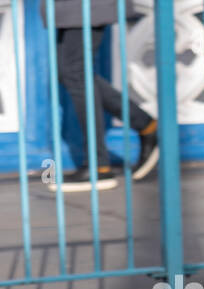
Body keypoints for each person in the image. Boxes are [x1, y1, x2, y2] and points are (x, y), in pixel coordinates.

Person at [40, 0, 159, 192]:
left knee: (75, 72)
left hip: (85, 6)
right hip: (71, 7)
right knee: (70, 72)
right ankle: (146, 125)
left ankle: (98, 166)